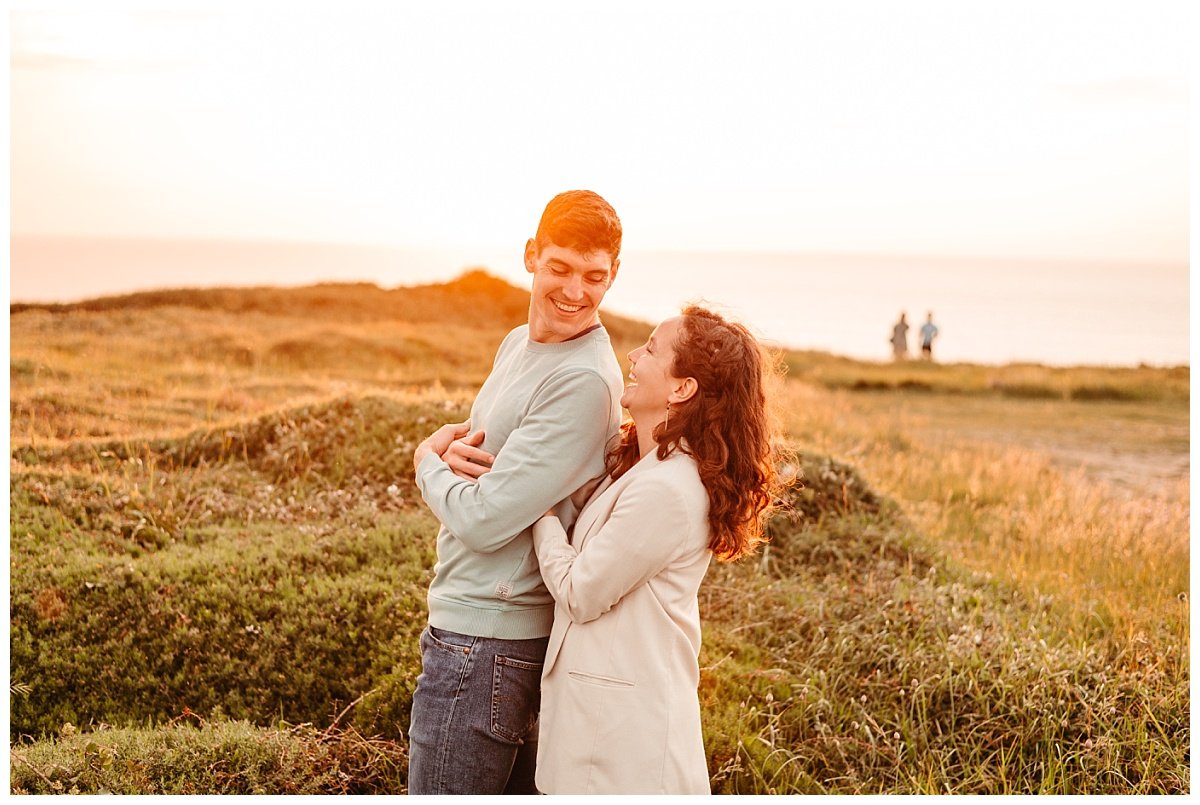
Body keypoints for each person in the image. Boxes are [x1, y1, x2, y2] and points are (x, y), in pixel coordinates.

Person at [407, 190, 625, 795]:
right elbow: (487, 457)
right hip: (471, 631)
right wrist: (452, 456)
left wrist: (427, 460)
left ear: (613, 276)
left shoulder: (582, 380)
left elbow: (482, 520)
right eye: (560, 268)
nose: (575, 292)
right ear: (531, 255)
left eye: (594, 277)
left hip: (490, 643)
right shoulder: (516, 345)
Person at [527, 305, 783, 794]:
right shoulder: (643, 466)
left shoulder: (668, 489)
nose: (632, 355)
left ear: (682, 388)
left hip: (626, 752)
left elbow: (581, 592)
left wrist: (541, 518)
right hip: (597, 738)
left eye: (650, 349)